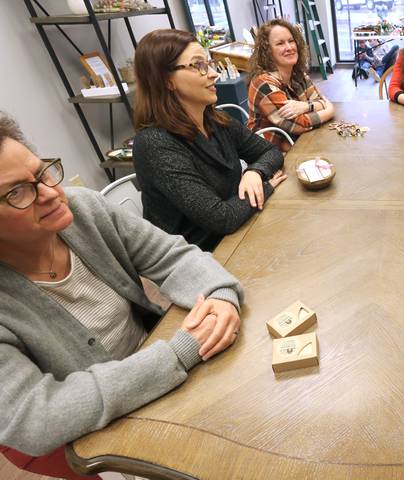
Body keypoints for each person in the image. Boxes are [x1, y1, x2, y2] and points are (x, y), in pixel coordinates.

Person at [0, 113, 244, 479]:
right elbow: (36, 418)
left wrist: (220, 293)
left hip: (154, 368)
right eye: (17, 191)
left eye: (42, 173)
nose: (51, 193)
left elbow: (171, 255)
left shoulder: (84, 208)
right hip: (88, 437)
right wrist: (177, 353)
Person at [133, 29, 287, 252]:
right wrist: (266, 185)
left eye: (209, 63)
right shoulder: (154, 144)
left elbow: (269, 153)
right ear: (167, 81)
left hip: (238, 233)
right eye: (199, 65)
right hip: (198, 258)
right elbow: (221, 218)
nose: (214, 73)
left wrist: (255, 172)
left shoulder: (215, 120)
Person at [248, 19, 335, 152]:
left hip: (295, 143)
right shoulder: (264, 84)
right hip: (268, 157)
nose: (289, 47)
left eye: (291, 40)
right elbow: (300, 124)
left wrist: (306, 106)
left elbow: (319, 100)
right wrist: (330, 110)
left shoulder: (297, 74)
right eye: (280, 43)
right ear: (268, 51)